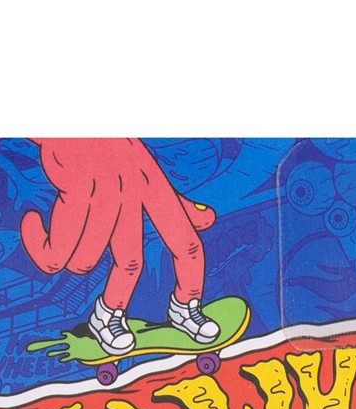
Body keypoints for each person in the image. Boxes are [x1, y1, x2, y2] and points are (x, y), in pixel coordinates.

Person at [21, 137, 221, 356]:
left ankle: (185, 307)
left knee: (188, 246)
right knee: (129, 261)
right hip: (101, 161)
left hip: (129, 155)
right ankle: (106, 316)